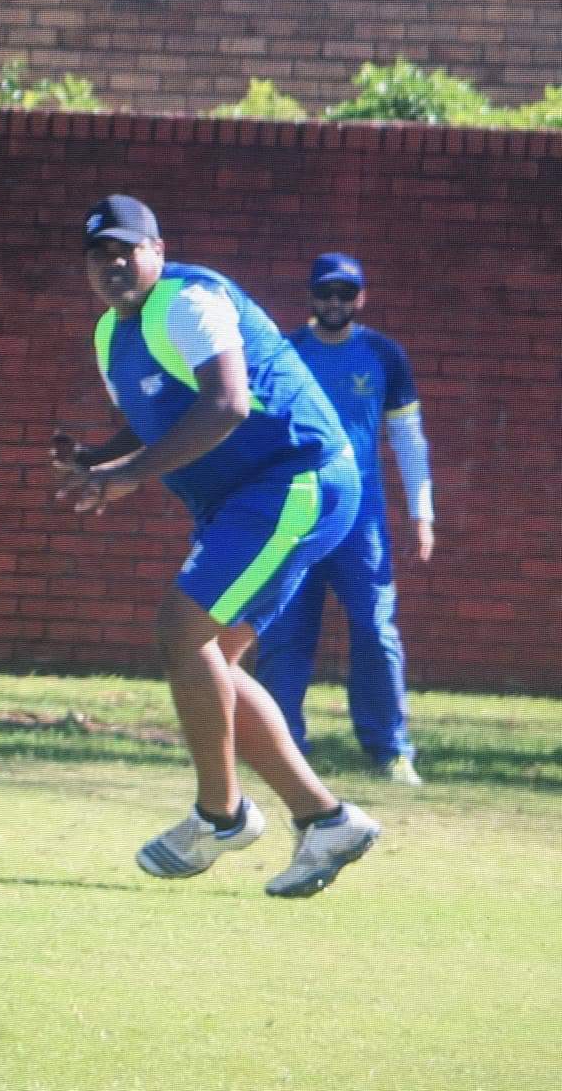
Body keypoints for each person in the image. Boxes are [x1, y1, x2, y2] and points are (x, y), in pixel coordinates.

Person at [51, 195, 380, 899]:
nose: (112, 265)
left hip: (295, 477)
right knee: (212, 663)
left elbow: (226, 402)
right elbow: (158, 419)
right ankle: (326, 819)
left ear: (158, 250)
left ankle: (221, 816)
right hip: (242, 500)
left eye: (125, 250)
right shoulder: (111, 334)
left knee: (182, 632)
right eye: (98, 255)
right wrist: (99, 459)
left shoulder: (188, 301)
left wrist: (128, 476)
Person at [254, 252, 434, 785]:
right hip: (295, 515)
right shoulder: (284, 353)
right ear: (311, 296)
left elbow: (408, 437)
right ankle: (281, 746)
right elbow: (256, 433)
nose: (335, 302)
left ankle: (390, 750)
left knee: (375, 630)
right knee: (284, 632)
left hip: (362, 523)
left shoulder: (384, 355)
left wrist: (422, 513)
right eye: (325, 292)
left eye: (345, 293)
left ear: (361, 298)